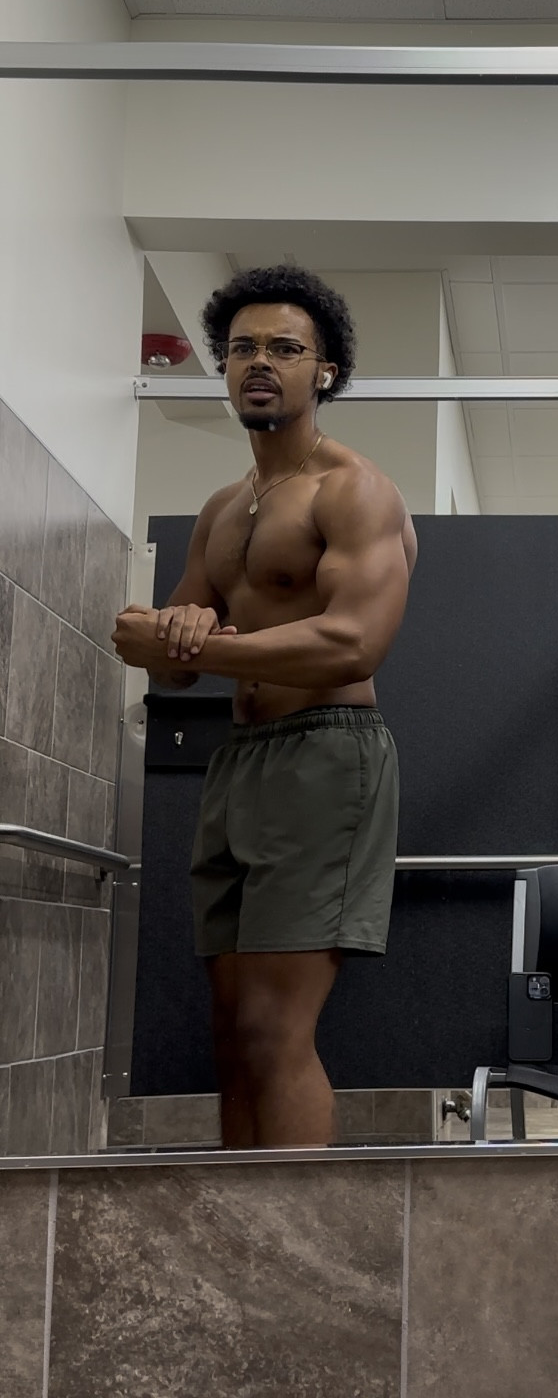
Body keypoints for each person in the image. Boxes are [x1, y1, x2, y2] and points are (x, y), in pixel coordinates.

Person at [112, 265, 416, 1149]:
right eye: (243, 347)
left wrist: (197, 644)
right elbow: (170, 666)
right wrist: (167, 630)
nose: (260, 361)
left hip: (328, 751)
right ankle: (244, 1225)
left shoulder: (353, 490)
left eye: (285, 347)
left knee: (274, 1030)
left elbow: (352, 643)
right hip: (241, 760)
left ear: (324, 371)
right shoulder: (223, 509)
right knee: (232, 1034)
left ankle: (299, 1234)